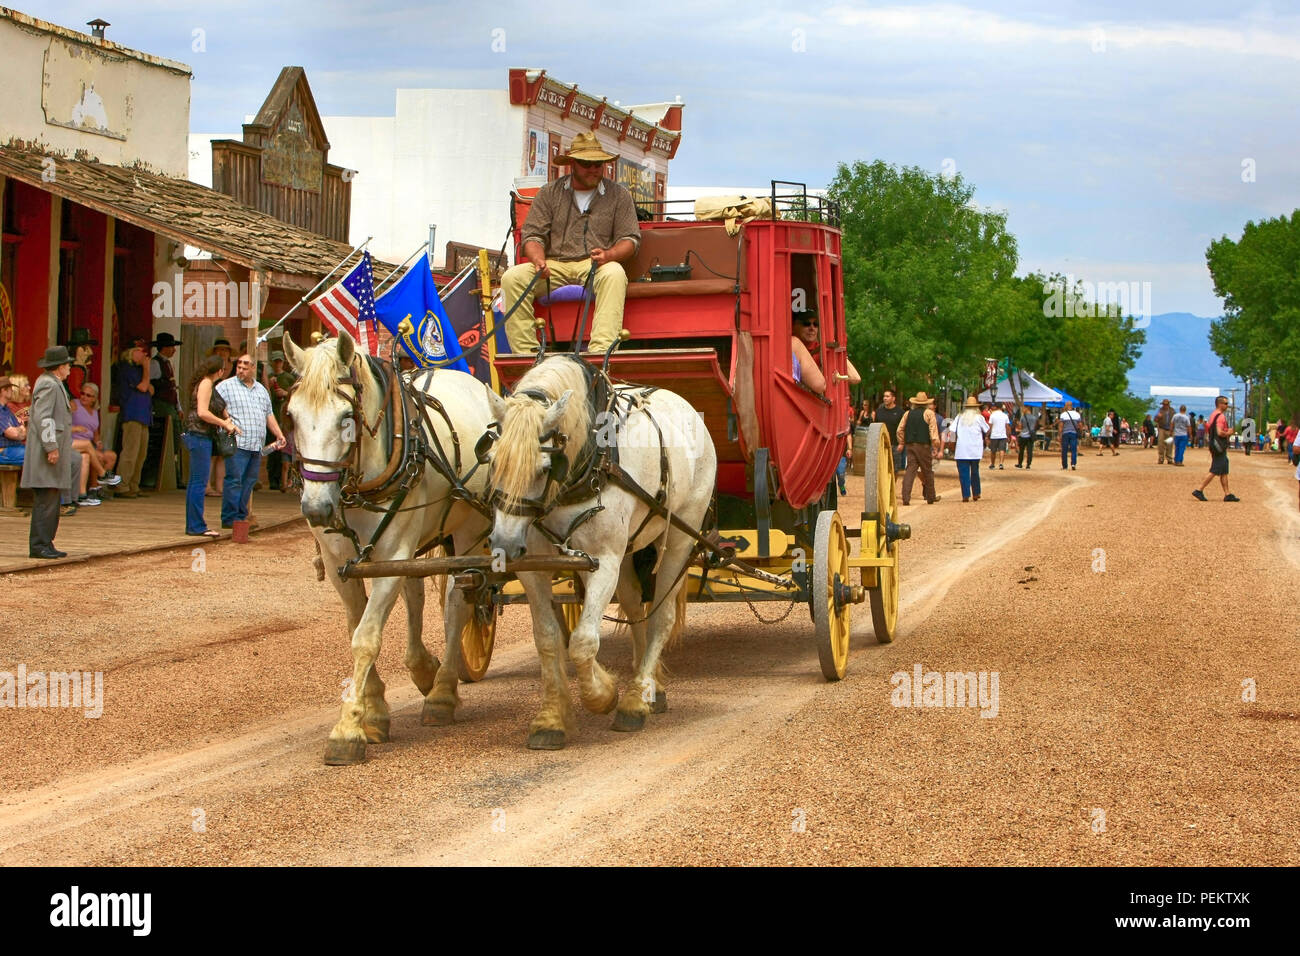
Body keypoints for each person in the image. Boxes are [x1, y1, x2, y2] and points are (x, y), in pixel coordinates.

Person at [501, 132, 641, 354]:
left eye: (598, 164)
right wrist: (538, 261)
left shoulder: (618, 195)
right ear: (572, 164)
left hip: (595, 264)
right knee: (512, 278)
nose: (594, 169)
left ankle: (601, 353)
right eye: (587, 164)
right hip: (553, 264)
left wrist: (608, 255)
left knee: (614, 273)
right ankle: (526, 356)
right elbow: (533, 236)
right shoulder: (549, 193)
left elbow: (630, 240)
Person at [215, 353, 286, 529]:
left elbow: (268, 414)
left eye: (246, 366)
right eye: (239, 365)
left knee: (249, 481)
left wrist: (279, 434)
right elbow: (213, 406)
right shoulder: (225, 386)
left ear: (254, 368)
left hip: (256, 444)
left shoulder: (261, 389)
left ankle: (240, 516)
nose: (241, 369)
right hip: (237, 441)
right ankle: (229, 518)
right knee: (234, 479)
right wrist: (225, 423)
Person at [22, 347, 76, 558]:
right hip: (47, 452)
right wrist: (51, 446)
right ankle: (39, 545)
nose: (70, 368)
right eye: (68, 364)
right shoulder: (48, 384)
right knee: (46, 498)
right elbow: (44, 418)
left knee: (52, 497)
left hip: (53, 450)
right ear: (60, 367)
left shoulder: (54, 384)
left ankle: (47, 542)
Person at [183, 355, 239, 537]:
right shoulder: (206, 383)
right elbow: (203, 412)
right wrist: (224, 424)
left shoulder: (209, 385)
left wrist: (228, 420)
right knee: (198, 482)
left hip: (202, 437)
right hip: (199, 435)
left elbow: (218, 408)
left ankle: (195, 523)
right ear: (219, 370)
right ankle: (196, 525)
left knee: (196, 482)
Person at [70, 383, 121, 503]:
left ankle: (96, 488)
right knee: (98, 457)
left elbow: (95, 431)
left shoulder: (94, 412)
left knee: (111, 456)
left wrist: (98, 441)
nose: (84, 397)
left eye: (88, 395)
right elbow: (63, 420)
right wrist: (75, 427)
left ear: (94, 399)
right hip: (75, 441)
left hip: (90, 443)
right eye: (82, 393)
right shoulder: (74, 404)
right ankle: (100, 479)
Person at [114, 343, 153, 497]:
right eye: (140, 351)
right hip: (132, 414)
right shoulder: (127, 368)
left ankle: (133, 485)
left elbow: (151, 389)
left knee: (141, 454)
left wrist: (145, 373)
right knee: (130, 452)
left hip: (144, 415)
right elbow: (144, 387)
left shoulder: (139, 370)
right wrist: (147, 368)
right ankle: (122, 486)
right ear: (131, 353)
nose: (144, 354)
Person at [896, 391, 942, 505]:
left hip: (910, 445)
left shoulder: (907, 414)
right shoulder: (929, 414)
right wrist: (936, 445)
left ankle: (906, 498)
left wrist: (902, 441)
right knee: (927, 471)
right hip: (923, 445)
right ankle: (931, 496)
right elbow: (933, 431)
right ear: (926, 403)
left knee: (910, 471)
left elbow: (899, 430)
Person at [1193, 396, 1238, 502]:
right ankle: (1199, 489)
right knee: (1215, 469)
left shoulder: (1212, 415)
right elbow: (1219, 432)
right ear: (1220, 404)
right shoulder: (1221, 417)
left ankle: (1227, 494)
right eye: (1226, 403)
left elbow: (1208, 428)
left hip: (1214, 444)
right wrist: (1228, 433)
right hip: (1219, 446)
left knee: (1223, 470)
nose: (1227, 406)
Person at [953, 395, 990, 502]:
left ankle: (965, 494)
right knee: (975, 472)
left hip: (961, 450)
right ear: (976, 408)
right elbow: (986, 429)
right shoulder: (979, 418)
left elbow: (951, 430)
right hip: (975, 450)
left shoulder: (959, 417)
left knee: (963, 473)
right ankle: (976, 493)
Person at [791, 311, 827, 395]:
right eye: (806, 324)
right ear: (794, 326)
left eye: (816, 324)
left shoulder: (823, 350)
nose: (812, 328)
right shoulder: (788, 345)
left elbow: (855, 378)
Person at [873, 387, 907, 475]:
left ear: (893, 398)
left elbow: (904, 428)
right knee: (881, 468)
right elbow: (875, 428)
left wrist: (902, 443)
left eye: (887, 396)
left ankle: (892, 487)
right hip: (881, 445)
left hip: (895, 445)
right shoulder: (879, 411)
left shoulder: (900, 412)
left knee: (895, 469)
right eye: (884, 396)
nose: (885, 398)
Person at [0, 375, 27, 465]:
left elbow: (23, 433)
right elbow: (14, 434)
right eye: (10, 388)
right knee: (35, 455)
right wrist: (19, 429)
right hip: (4, 451)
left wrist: (19, 429)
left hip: (15, 448)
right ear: (4, 391)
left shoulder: (7, 409)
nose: (12, 390)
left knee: (39, 452)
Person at [65, 328, 97, 400]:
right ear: (78, 351)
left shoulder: (80, 369)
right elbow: (75, 390)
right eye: (85, 349)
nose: (90, 353)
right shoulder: (76, 371)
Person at [1058, 400, 1083, 470]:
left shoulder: (1063, 415)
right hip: (1074, 433)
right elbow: (1080, 425)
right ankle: (1073, 464)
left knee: (1064, 450)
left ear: (1066, 406)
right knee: (1073, 449)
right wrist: (1080, 432)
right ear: (1071, 406)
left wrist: (1059, 435)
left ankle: (1064, 466)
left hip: (1065, 434)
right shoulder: (1077, 414)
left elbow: (1061, 426)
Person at [988, 402, 1011, 470]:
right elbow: (1007, 426)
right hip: (1003, 435)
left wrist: (988, 434)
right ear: (1001, 407)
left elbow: (990, 426)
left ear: (995, 407)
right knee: (1002, 450)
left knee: (993, 451)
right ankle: (1001, 463)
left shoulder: (992, 415)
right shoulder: (1005, 415)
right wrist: (1008, 435)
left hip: (994, 435)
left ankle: (992, 464)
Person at [1154, 399, 1174, 464]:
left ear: (1168, 404)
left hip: (1170, 429)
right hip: (1162, 429)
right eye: (1164, 404)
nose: (1165, 405)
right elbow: (1155, 420)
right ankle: (1161, 458)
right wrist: (1158, 417)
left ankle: (1169, 458)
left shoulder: (1172, 411)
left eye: (1166, 404)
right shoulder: (1159, 410)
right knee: (1160, 444)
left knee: (1169, 444)